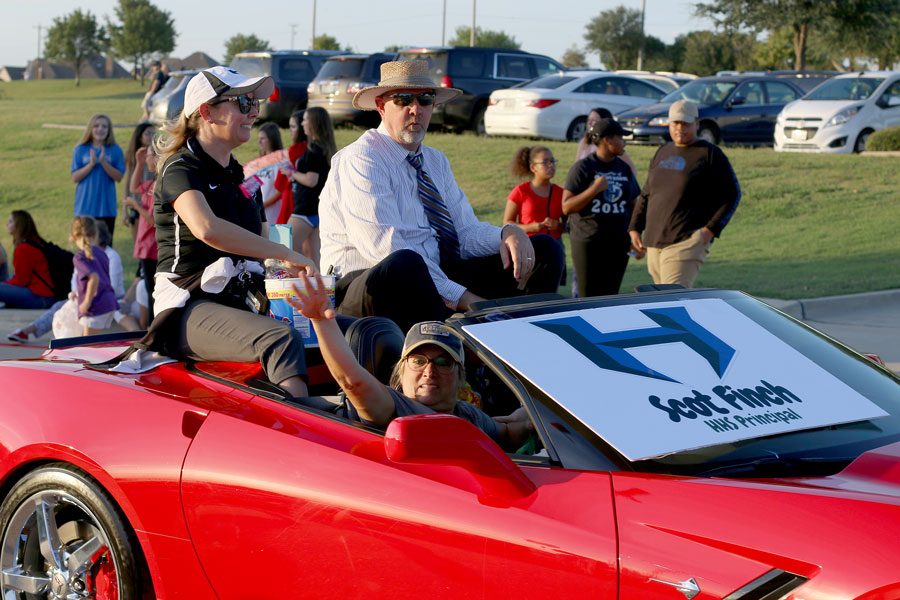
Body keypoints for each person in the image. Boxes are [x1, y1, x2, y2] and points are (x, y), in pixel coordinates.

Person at [320, 60, 563, 333]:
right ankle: (480, 332)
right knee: (403, 263)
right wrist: (469, 300)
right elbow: (383, 248)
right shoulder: (361, 159)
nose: (416, 109)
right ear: (380, 105)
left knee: (542, 249)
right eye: (403, 100)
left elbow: (465, 233)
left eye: (425, 99)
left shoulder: (435, 160)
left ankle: (525, 338)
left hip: (434, 272)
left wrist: (506, 233)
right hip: (368, 284)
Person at [147, 65, 316, 398]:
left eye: (255, 104)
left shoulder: (236, 174)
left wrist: (301, 263)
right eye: (243, 103)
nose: (253, 112)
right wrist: (285, 253)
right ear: (206, 111)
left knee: (353, 330)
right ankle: (308, 438)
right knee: (280, 339)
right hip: (186, 307)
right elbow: (208, 229)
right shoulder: (180, 167)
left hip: (240, 298)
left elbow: (264, 233)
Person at [289, 271, 533, 450]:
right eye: (418, 360)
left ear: (461, 379)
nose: (429, 371)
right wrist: (322, 322)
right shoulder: (396, 409)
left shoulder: (466, 414)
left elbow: (509, 428)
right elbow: (354, 382)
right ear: (400, 371)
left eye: (442, 362)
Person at [629, 100, 741, 288]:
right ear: (669, 124)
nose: (680, 128)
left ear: (696, 124)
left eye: (686, 123)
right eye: (676, 123)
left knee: (672, 300)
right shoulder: (662, 152)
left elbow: (733, 194)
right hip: (654, 242)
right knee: (662, 302)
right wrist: (634, 228)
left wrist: (709, 231)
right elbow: (647, 194)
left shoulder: (709, 153)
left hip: (685, 242)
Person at [563, 118, 642, 297]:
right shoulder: (583, 167)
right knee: (587, 297)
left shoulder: (624, 169)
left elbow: (634, 204)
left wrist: (635, 234)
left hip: (617, 243)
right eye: (621, 138)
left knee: (610, 296)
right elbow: (567, 206)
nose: (624, 143)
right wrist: (594, 189)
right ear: (607, 140)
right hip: (588, 241)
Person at [504, 145, 565, 285]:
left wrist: (558, 225)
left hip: (554, 249)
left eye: (553, 161)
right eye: (545, 162)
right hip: (528, 247)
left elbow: (570, 226)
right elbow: (507, 223)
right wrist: (531, 227)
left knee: (549, 292)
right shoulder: (520, 191)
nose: (551, 165)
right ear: (533, 167)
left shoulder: (561, 193)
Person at [288, 106, 336, 270]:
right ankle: (315, 291)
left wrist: (292, 173)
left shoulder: (314, 150)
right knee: (314, 258)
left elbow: (311, 180)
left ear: (314, 123)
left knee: (284, 250)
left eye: (306, 119)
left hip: (304, 210)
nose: (302, 123)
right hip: (317, 211)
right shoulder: (324, 149)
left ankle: (290, 290)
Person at [71, 113, 125, 239]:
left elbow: (119, 177)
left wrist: (104, 162)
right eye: (96, 126)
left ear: (109, 130)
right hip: (84, 208)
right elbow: (74, 177)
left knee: (104, 249)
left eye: (104, 126)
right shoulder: (80, 149)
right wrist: (90, 165)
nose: (100, 129)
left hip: (106, 209)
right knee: (85, 249)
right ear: (90, 128)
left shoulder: (115, 149)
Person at [125, 143, 159, 321]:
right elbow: (134, 187)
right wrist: (138, 163)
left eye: (149, 155)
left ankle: (153, 326)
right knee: (148, 288)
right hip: (146, 245)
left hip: (153, 246)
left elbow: (153, 221)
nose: (147, 158)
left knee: (153, 289)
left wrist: (136, 205)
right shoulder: (151, 184)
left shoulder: (159, 187)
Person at [70, 216, 118, 336]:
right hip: (109, 303)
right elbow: (102, 279)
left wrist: (86, 302)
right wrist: (77, 293)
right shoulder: (102, 253)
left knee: (87, 347)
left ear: (74, 237)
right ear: (95, 234)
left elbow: (94, 278)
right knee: (91, 344)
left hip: (96, 307)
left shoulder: (79, 257)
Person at [0, 210, 56, 309]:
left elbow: (21, 281)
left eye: (10, 221)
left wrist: (4, 285)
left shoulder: (24, 248)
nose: (7, 224)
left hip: (41, 298)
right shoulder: (35, 242)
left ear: (19, 225)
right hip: (45, 296)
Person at [575, 107, 638, 178]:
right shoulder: (585, 142)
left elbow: (632, 171)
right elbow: (576, 167)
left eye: (594, 120)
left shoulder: (612, 146)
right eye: (589, 120)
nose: (590, 123)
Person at [122, 122, 155, 241]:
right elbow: (127, 184)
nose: (152, 136)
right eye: (148, 133)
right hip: (136, 204)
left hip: (150, 206)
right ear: (140, 136)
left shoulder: (156, 156)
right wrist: (124, 210)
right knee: (139, 243)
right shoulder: (133, 156)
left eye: (154, 133)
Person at [275, 110, 309, 225]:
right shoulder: (316, 149)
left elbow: (279, 184)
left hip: (292, 198)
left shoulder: (295, 151)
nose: (290, 130)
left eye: (293, 127)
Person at [256, 122, 286, 225]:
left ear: (272, 139)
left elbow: (280, 191)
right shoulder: (258, 162)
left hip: (274, 216)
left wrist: (262, 205)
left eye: (262, 138)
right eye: (259, 138)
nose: (259, 142)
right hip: (258, 214)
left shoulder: (281, 162)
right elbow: (251, 186)